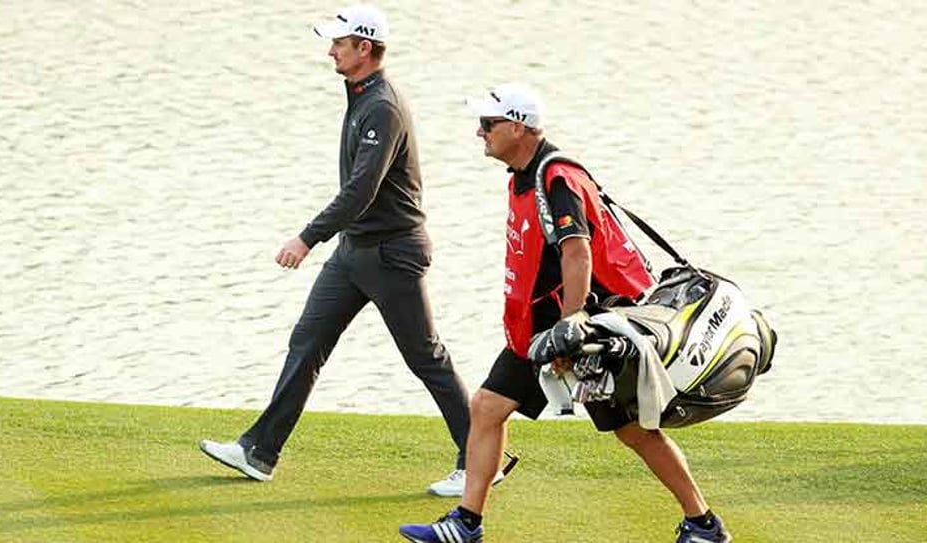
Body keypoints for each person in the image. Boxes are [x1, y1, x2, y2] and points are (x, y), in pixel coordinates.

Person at [398, 84, 732, 543]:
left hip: (588, 328)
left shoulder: (556, 178)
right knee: (487, 407)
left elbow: (578, 253)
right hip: (543, 328)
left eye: (488, 124)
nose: (480, 133)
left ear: (518, 126)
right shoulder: (524, 175)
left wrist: (571, 327)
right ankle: (466, 523)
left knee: (634, 431)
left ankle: (703, 524)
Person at [199, 4, 480, 495]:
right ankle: (259, 451)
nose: (330, 50)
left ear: (364, 49)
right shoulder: (360, 95)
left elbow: (360, 192)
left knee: (426, 358)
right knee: (306, 341)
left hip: (393, 252)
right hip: (356, 251)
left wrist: (307, 237)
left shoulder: (383, 106)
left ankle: (479, 462)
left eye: (339, 43)